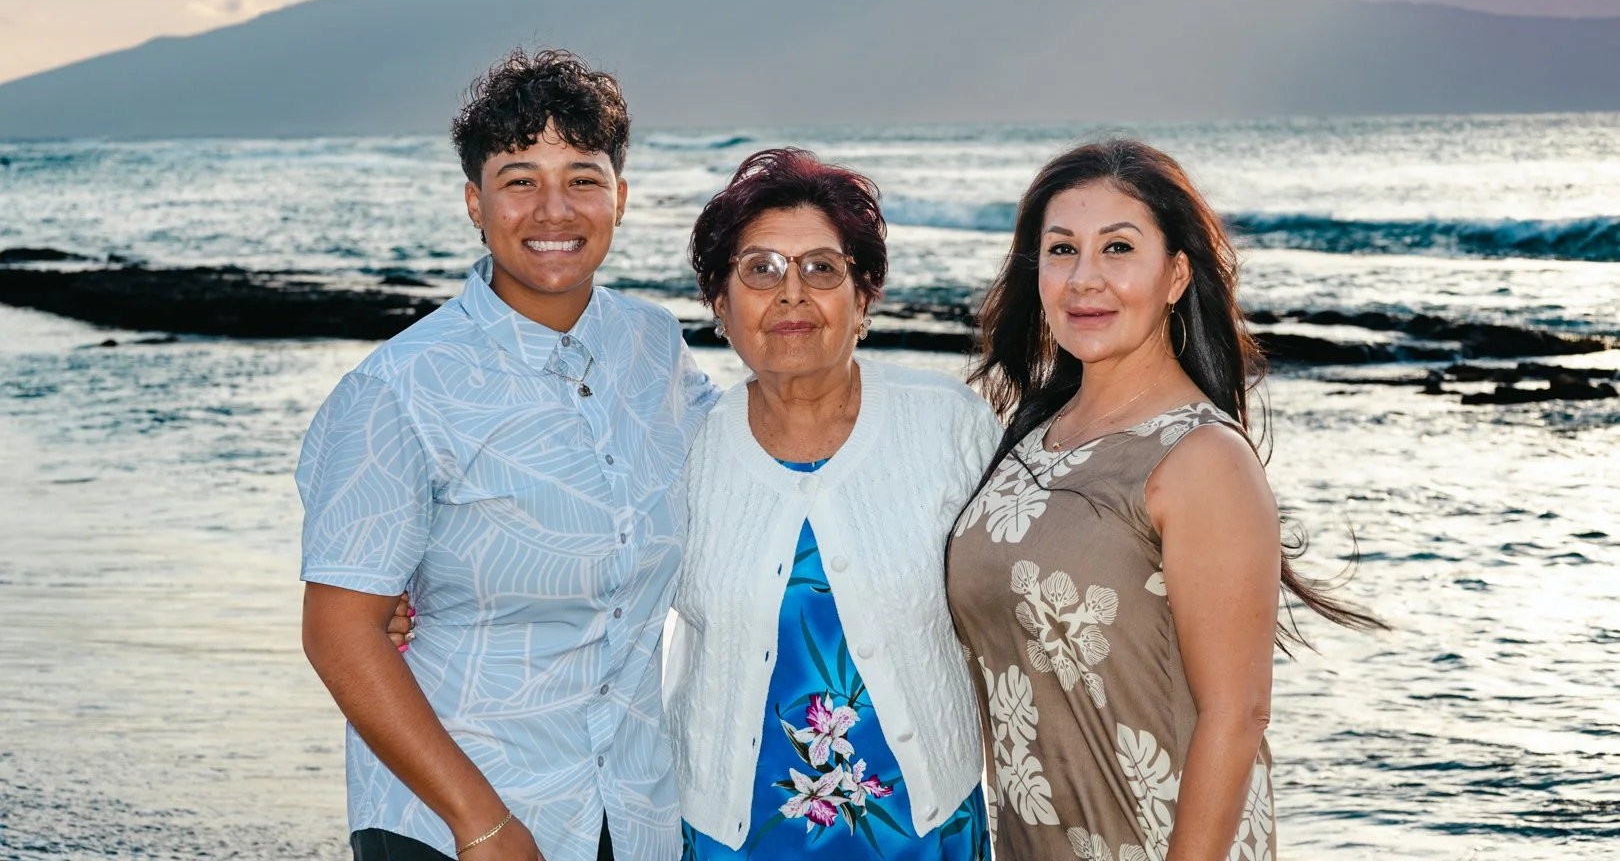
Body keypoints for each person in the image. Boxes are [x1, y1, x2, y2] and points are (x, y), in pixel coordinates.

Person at [298, 49, 717, 861]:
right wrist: (482, 825)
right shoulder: (401, 386)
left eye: (583, 178)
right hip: (455, 821)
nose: (553, 208)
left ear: (621, 198)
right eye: (520, 178)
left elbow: (743, 463)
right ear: (474, 202)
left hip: (630, 811)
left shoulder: (654, 346)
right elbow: (339, 633)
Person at [945, 137, 1381, 861]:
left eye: (1119, 249)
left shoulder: (1202, 460)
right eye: (1062, 250)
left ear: (1176, 275)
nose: (1086, 278)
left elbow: (1236, 715)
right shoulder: (1027, 441)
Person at [665, 148, 995, 860]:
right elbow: (595, 589)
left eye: (822, 268)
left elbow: (1027, 587)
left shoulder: (947, 425)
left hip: (925, 828)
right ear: (720, 305)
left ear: (865, 296)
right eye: (759, 269)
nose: (791, 294)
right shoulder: (682, 452)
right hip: (734, 834)